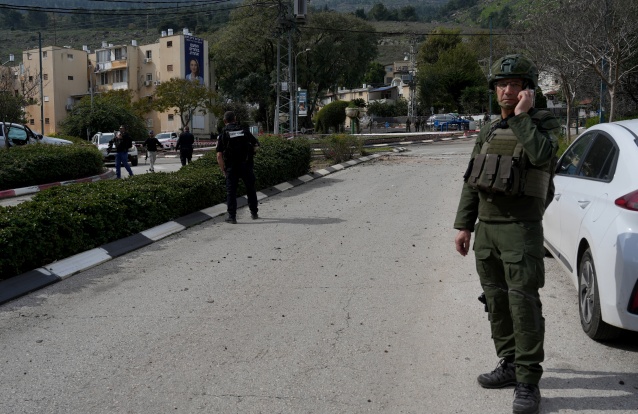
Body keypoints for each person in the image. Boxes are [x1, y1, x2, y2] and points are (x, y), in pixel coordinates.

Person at [453, 54, 560, 414]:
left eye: (515, 84)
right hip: (487, 230)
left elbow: (542, 155)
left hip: (521, 228)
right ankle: (510, 364)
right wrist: (464, 224)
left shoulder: (542, 123)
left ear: (528, 89)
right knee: (496, 303)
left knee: (522, 305)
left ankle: (528, 381)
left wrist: (522, 116)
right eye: (501, 84)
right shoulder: (487, 130)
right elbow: (472, 179)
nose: (507, 90)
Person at [216, 111, 260, 224]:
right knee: (250, 188)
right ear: (235, 119)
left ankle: (232, 217)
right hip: (246, 165)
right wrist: (251, 155)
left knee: (231, 192)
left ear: (225, 121)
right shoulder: (244, 130)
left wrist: (223, 169)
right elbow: (256, 145)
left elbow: (219, 155)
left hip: (231, 167)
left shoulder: (223, 134)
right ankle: (254, 212)